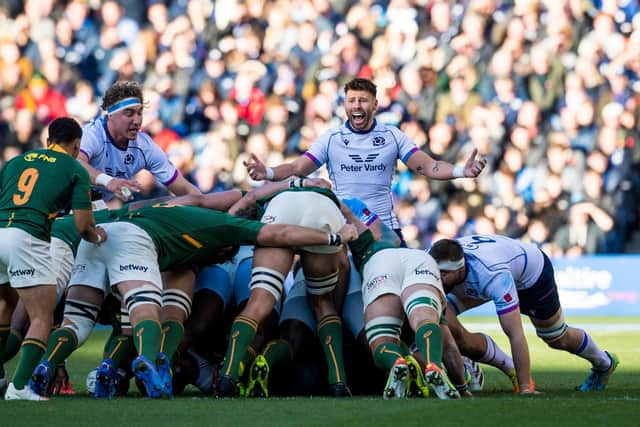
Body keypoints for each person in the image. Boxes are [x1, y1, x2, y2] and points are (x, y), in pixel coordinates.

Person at [30, 201, 357, 399]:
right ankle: (154, 364)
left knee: (79, 320)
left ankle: (47, 364)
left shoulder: (172, 219)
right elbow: (280, 235)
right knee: (150, 310)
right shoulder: (220, 226)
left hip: (99, 236)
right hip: (134, 241)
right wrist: (332, 237)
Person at [245, 77, 486, 238]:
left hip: (384, 228)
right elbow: (299, 167)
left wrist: (461, 172)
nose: (356, 105)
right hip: (344, 226)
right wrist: (267, 173)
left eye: (363, 100)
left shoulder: (392, 135)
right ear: (345, 105)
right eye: (351, 100)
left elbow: (428, 166)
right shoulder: (331, 137)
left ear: (375, 105)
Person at [216, 178, 356, 398]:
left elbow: (251, 198)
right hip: (323, 212)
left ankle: (227, 377)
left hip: (281, 209)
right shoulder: (332, 196)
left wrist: (226, 224)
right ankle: (338, 381)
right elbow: (345, 265)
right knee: (323, 303)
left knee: (258, 302)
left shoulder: (281, 186)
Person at [428, 234, 619, 394]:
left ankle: (604, 362)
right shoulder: (434, 263)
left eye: (443, 274)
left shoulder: (493, 275)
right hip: (481, 275)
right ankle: (465, 362)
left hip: (531, 275)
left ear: (459, 269)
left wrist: (525, 387)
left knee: (555, 336)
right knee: (437, 313)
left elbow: (515, 333)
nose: (438, 278)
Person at [1, 117, 105, 401]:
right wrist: (98, 237)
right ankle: (19, 387)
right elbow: (84, 226)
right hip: (27, 236)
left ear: (48, 141)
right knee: (42, 317)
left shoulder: (16, 161)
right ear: (76, 145)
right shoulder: (74, 167)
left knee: (6, 304)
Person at [339, 201, 461, 400]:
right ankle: (434, 366)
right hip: (420, 259)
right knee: (425, 321)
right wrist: (462, 386)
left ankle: (396, 362)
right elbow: (449, 343)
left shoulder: (366, 245)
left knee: (382, 339)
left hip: (380, 265)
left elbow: (348, 217)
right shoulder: (392, 239)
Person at [77, 80, 200, 201]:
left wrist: (204, 204)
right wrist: (107, 180)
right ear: (110, 115)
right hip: (61, 202)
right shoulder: (93, 134)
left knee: (163, 203)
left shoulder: (144, 146)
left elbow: (186, 190)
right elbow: (74, 164)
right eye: (129, 113)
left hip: (91, 206)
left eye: (140, 113)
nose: (137, 121)